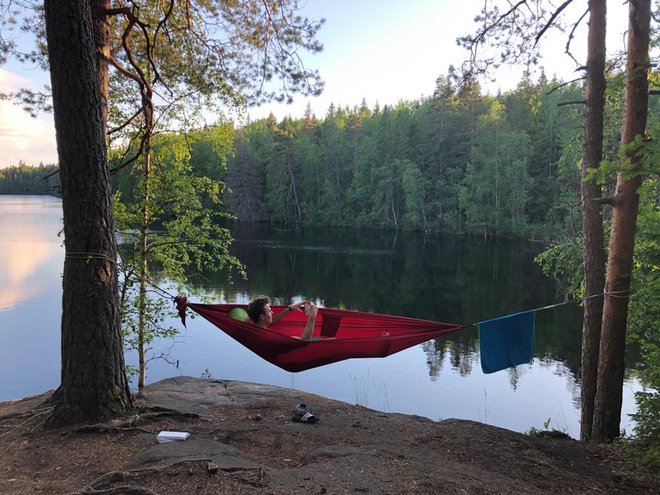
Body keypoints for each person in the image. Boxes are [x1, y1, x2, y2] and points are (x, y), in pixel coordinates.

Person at [247, 296, 318, 341]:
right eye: (269, 311)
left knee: (316, 338)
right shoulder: (271, 338)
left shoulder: (252, 327)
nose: (272, 312)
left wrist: (291, 308)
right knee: (317, 339)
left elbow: (273, 319)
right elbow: (304, 340)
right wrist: (312, 316)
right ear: (262, 316)